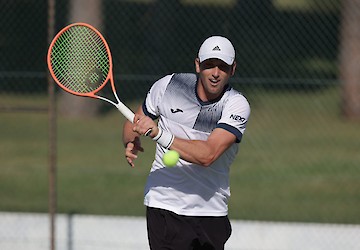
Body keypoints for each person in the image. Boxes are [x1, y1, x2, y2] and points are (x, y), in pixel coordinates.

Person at [122, 36, 250, 250]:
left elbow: (207, 155)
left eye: (223, 67)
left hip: (211, 212)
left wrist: (158, 134)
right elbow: (134, 123)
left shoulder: (236, 105)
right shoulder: (169, 86)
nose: (216, 73)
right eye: (209, 65)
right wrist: (131, 140)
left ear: (233, 69)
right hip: (165, 207)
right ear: (198, 65)